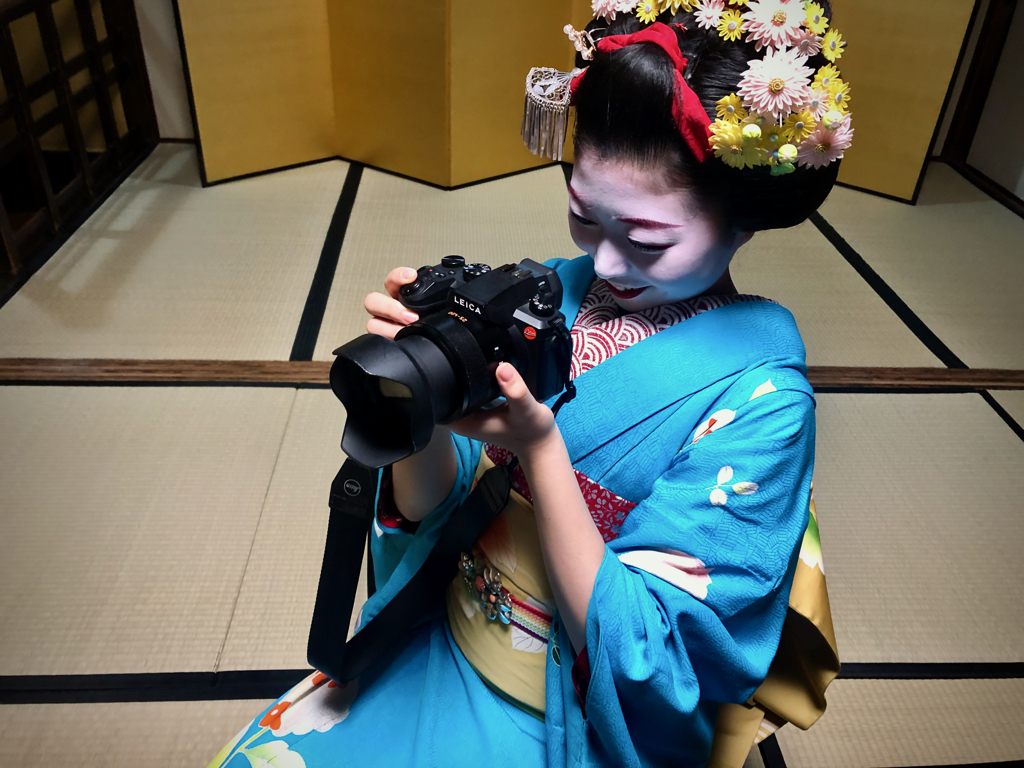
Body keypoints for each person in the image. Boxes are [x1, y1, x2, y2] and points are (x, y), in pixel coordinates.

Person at [208, 2, 848, 766]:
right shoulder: (551, 295)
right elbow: (438, 514)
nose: (606, 263)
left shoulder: (763, 401)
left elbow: (648, 654)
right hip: (437, 623)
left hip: (566, 707)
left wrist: (542, 455)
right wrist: (424, 399)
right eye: (584, 217)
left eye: (647, 238)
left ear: (744, 216)